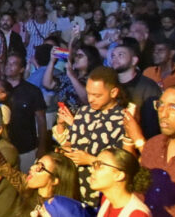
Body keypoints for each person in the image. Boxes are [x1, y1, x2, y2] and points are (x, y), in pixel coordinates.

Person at [0, 109, 87, 217]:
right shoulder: (29, 192)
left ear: (55, 180)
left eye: (40, 168)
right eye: (37, 163)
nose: (33, 167)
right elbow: (5, 169)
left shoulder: (62, 211)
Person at [53, 67, 126, 207]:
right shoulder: (83, 112)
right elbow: (71, 141)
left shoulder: (123, 120)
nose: (90, 99)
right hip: (73, 189)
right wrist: (65, 150)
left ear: (114, 92)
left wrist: (90, 160)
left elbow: (122, 163)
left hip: (100, 196)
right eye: (88, 93)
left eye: (97, 95)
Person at [122, 86, 175, 217]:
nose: (163, 113)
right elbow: (137, 185)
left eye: (173, 107)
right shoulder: (154, 144)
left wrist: (138, 139)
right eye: (160, 105)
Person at [4, 54, 49, 172]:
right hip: (3, 149)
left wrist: (42, 146)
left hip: (26, 148)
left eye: (14, 63)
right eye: (8, 63)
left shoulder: (32, 91)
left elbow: (41, 120)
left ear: (22, 69)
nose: (9, 66)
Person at [112, 41, 162, 138]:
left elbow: (152, 124)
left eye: (120, 55)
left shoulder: (148, 86)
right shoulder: (110, 84)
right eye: (113, 56)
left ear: (134, 60)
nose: (115, 59)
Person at [88, 148, 152, 217]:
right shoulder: (106, 201)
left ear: (119, 175)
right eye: (94, 165)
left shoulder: (137, 214)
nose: (91, 170)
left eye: (99, 165)